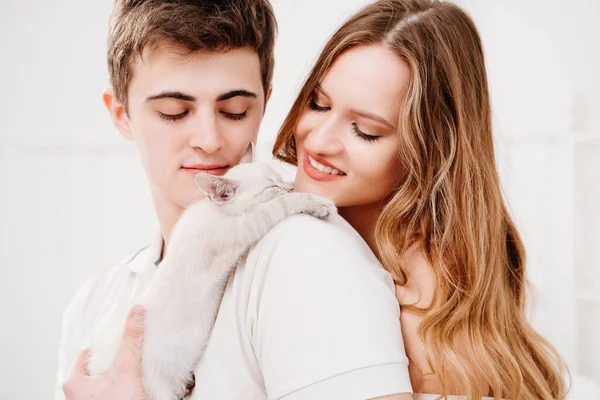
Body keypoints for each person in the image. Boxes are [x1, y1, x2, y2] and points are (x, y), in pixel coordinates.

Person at [56, 1, 413, 399]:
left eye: (234, 110)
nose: (209, 140)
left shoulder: (305, 255)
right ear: (121, 114)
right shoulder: (96, 301)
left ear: (265, 103)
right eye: (174, 112)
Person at [273, 0, 569, 398]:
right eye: (319, 104)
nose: (319, 139)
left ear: (427, 151)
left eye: (365, 131)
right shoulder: (305, 228)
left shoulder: (423, 312)